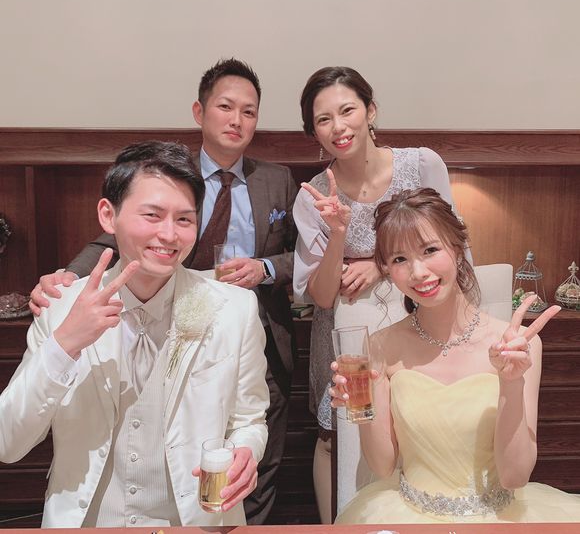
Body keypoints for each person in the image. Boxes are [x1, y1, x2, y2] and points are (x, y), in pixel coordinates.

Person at [28, 59, 297, 525]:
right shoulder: (170, 174)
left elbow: (300, 254)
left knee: (253, 448)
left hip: (252, 327)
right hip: (170, 315)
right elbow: (115, 238)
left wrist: (266, 267)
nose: (237, 120)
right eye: (225, 107)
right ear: (199, 112)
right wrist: (66, 280)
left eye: (249, 111)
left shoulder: (276, 179)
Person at [0, 141, 270, 527]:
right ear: (108, 215)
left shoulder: (234, 309)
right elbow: (8, 442)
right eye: (152, 215)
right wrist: (65, 344)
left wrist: (246, 451)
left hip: (198, 520)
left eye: (184, 219)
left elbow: (249, 418)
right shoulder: (61, 307)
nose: (169, 234)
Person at [331, 187, 580, 523]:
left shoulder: (519, 344)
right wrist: (360, 407)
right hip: (409, 517)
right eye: (400, 259)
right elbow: (382, 465)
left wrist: (511, 382)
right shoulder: (379, 346)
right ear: (387, 269)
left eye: (430, 250)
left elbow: (515, 476)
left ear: (458, 250)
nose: (418, 272)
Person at [292, 66, 463, 522]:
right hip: (346, 332)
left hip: (416, 319)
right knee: (337, 438)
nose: (338, 127)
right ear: (314, 131)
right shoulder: (312, 196)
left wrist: (381, 263)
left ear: (370, 111)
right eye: (323, 119)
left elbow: (452, 245)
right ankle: (342, 525)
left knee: (413, 426)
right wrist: (337, 232)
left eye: (347, 110)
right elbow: (321, 296)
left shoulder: (421, 165)